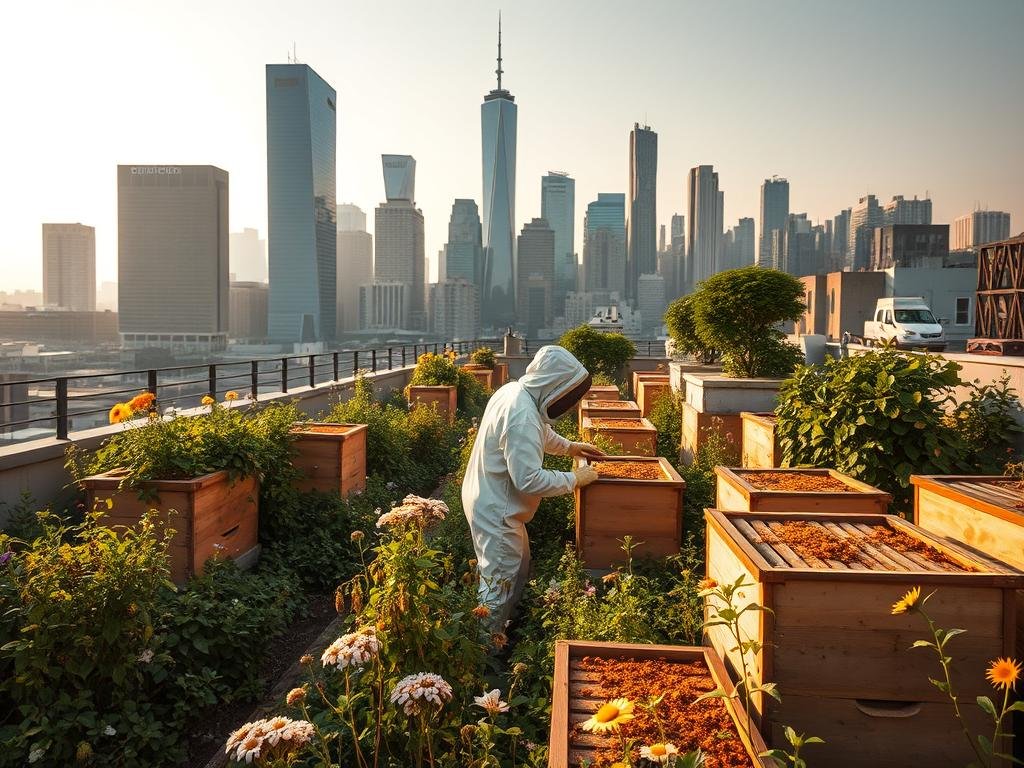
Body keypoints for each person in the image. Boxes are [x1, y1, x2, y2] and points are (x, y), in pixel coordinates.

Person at [461, 345, 605, 631]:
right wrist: (575, 479)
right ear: (553, 384)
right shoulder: (521, 414)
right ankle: (482, 658)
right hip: (498, 510)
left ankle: (502, 637)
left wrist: (570, 447)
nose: (570, 403)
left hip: (490, 498)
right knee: (498, 587)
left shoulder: (516, 393)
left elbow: (539, 432)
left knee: (517, 567)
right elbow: (528, 480)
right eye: (568, 392)